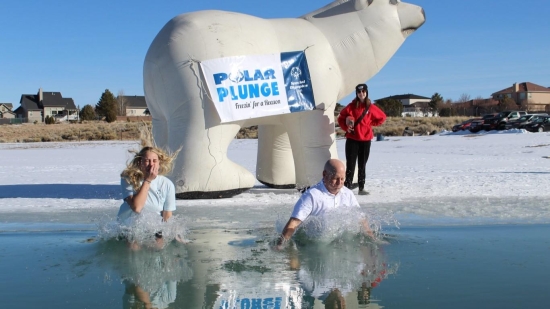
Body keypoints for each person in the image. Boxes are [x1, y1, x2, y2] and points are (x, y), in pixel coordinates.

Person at [277, 159, 373, 246]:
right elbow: (293, 223)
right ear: (324, 174)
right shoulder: (312, 195)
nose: (339, 183)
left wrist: (372, 238)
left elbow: (361, 219)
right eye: (335, 178)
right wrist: (280, 246)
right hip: (311, 243)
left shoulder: (348, 194)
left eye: (342, 179)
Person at [117, 146, 178, 247]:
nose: (151, 164)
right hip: (130, 224)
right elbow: (137, 208)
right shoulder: (128, 178)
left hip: (153, 224)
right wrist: (148, 180)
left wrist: (173, 235)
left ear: (159, 163)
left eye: (154, 161)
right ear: (140, 162)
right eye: (147, 161)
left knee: (159, 246)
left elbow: (167, 215)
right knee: (133, 246)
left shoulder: (167, 184)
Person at [337, 84, 386, 195]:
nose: (361, 93)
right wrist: (346, 128)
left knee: (362, 165)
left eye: (363, 91)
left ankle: (361, 187)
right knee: (351, 165)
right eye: (359, 92)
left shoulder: (370, 107)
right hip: (352, 140)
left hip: (365, 141)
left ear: (366, 92)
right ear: (357, 93)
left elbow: (382, 117)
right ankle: (347, 188)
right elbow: (340, 118)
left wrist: (370, 124)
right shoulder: (351, 106)